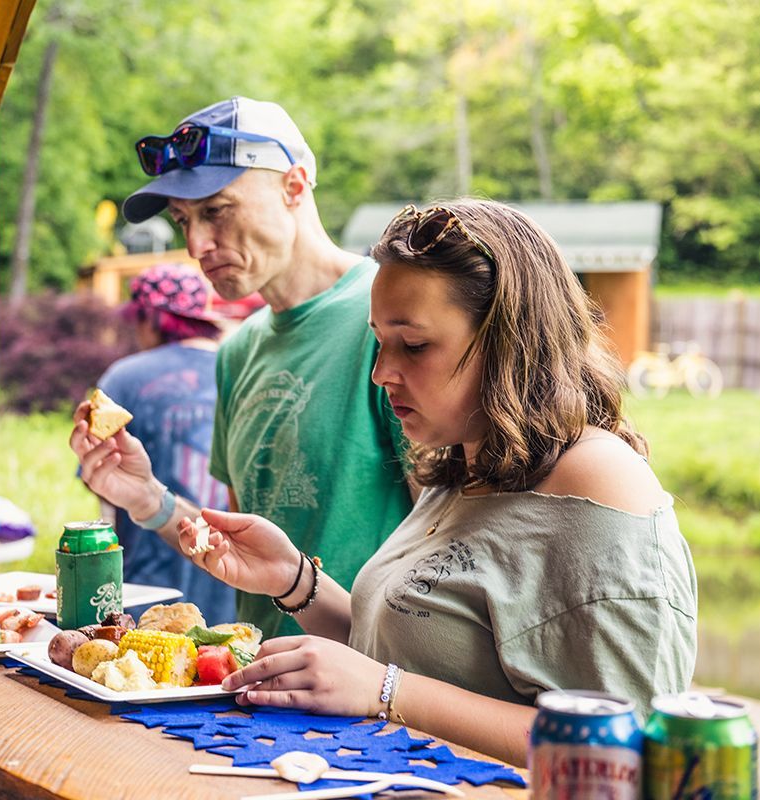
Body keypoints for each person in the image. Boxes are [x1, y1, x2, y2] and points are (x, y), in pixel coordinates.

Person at [175, 199, 698, 767]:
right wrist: (294, 579)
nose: (382, 373)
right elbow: (404, 648)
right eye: (378, 341)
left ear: (509, 340)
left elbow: (632, 745)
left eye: (414, 345)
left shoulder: (599, 479)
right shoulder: (466, 464)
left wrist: (386, 692)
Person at [70, 97, 413, 639]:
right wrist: (146, 498)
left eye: (217, 210)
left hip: (375, 697)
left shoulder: (392, 321)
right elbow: (241, 551)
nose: (196, 245)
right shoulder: (238, 350)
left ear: (294, 187)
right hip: (259, 683)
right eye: (184, 220)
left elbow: (448, 548)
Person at [90, 263, 234, 623]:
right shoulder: (238, 370)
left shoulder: (124, 377)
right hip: (233, 578)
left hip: (148, 584)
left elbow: (102, 484)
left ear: (150, 319)